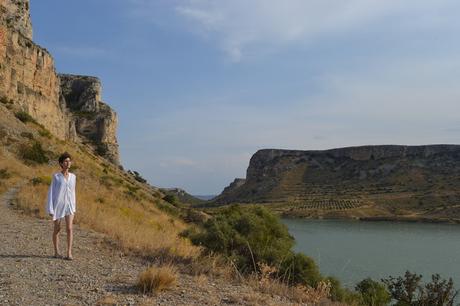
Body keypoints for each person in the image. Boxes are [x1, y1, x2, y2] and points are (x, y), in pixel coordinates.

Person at [45, 152, 76, 260]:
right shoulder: (56, 177)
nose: (68, 163)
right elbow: (51, 192)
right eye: (66, 161)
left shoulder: (73, 177)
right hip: (58, 206)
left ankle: (69, 253)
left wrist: (73, 206)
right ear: (61, 163)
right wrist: (50, 208)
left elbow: (73, 193)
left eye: (69, 161)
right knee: (57, 229)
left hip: (69, 206)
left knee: (70, 228)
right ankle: (56, 252)